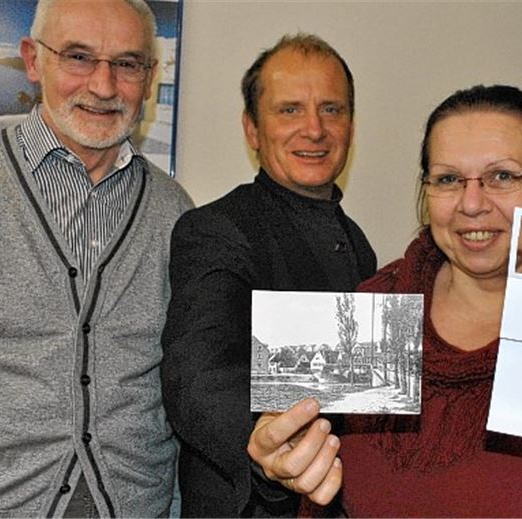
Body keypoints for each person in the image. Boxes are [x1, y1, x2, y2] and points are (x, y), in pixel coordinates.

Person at [246, 85, 522, 516]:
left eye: (502, 176)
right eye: (448, 179)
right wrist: (278, 470)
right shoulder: (375, 306)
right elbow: (317, 490)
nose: (472, 204)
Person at [0, 0, 193, 516]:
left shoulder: (174, 209)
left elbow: (176, 395)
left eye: (127, 64)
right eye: (79, 57)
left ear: (150, 76)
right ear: (32, 59)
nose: (104, 86)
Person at [160, 33, 377, 517]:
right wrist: (260, 438)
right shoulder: (215, 228)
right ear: (252, 130)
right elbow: (198, 373)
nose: (315, 129)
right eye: (289, 110)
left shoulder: (359, 242)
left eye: (332, 109)